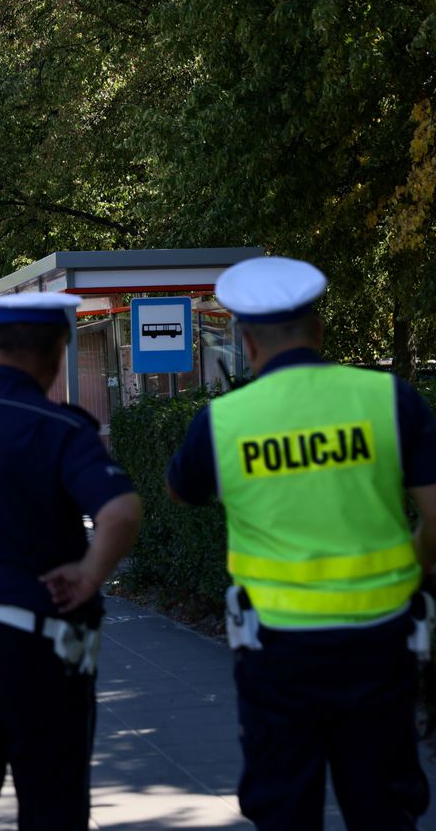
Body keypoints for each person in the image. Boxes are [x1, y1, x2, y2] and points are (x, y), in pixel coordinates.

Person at [167, 256, 436, 830]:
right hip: (381, 642)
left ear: (247, 342)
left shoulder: (222, 423)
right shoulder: (390, 399)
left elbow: (180, 491)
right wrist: (415, 562)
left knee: (285, 805)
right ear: (318, 332)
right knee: (384, 807)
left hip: (276, 652)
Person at [0, 292, 142, 830]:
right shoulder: (62, 428)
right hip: (33, 643)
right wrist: (90, 575)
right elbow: (121, 511)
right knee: (51, 800)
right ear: (58, 354)